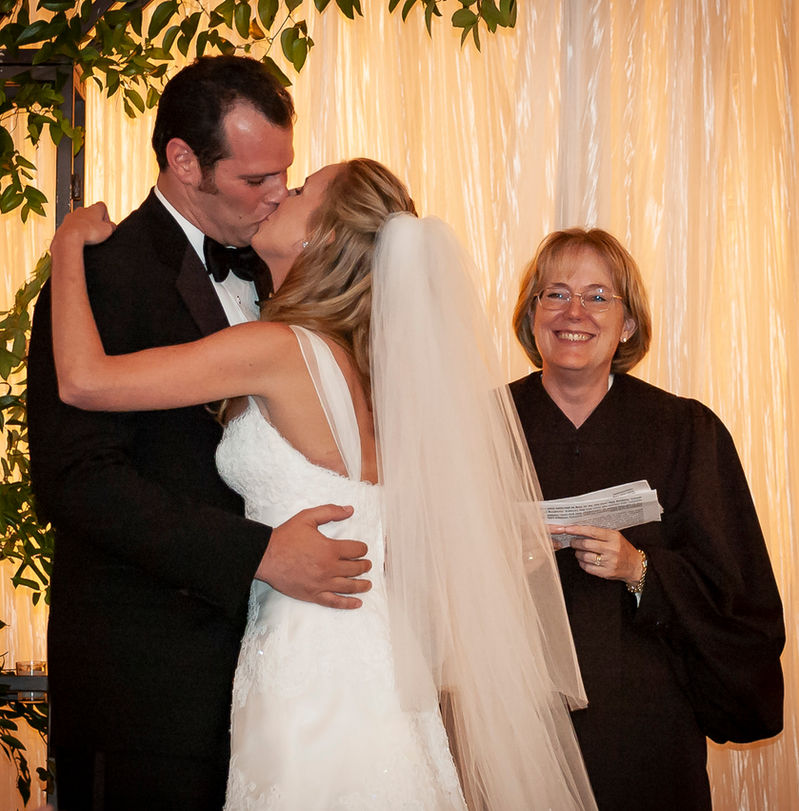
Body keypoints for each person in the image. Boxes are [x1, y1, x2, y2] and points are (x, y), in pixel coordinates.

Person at [48, 160, 598, 809]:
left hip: (309, 659)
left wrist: (64, 250)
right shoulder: (370, 368)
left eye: (304, 188)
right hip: (366, 650)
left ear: (324, 240)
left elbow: (84, 380)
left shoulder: (279, 348)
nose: (282, 190)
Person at [27, 56, 371, 811]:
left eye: (286, 174)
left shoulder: (293, 276)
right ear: (184, 161)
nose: (277, 193)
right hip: (150, 684)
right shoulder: (99, 276)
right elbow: (76, 477)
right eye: (256, 180)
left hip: (284, 680)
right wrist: (259, 552)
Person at [509, 227, 785, 810]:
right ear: (532, 317)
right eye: (554, 294)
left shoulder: (686, 431)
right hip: (513, 724)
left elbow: (741, 601)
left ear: (628, 323)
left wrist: (641, 570)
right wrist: (502, 560)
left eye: (598, 296)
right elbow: (420, 575)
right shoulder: (483, 425)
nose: (574, 312)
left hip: (646, 726)